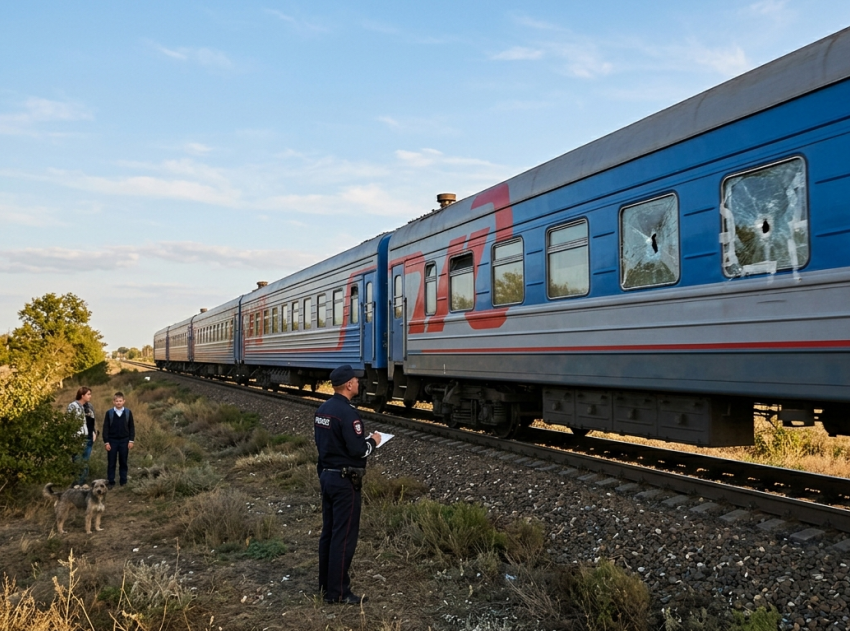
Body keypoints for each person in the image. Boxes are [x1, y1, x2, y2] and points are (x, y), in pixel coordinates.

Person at [314, 364, 381, 605]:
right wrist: (373, 441)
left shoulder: (322, 410)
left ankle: (325, 586)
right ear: (349, 385)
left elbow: (324, 445)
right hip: (345, 482)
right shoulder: (348, 414)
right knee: (344, 537)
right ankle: (339, 592)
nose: (358, 383)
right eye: (356, 380)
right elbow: (358, 450)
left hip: (327, 476)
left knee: (329, 534)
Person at [102, 392, 135, 489]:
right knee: (111, 462)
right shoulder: (109, 413)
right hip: (112, 441)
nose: (118, 403)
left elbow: (131, 427)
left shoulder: (128, 413)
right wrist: (106, 442)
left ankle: (123, 480)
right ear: (113, 402)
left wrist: (131, 440)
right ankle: (110, 481)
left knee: (123, 461)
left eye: (120, 401)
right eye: (116, 401)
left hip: (124, 441)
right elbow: (106, 428)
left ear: (124, 401)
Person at [67, 387, 97, 486]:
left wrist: (94, 432)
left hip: (88, 437)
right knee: (77, 461)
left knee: (85, 462)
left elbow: (92, 421)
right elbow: (70, 422)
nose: (90, 396)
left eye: (90, 394)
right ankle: (76, 484)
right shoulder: (73, 406)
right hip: (78, 438)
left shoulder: (90, 406)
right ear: (82, 395)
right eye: (88, 394)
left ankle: (82, 482)